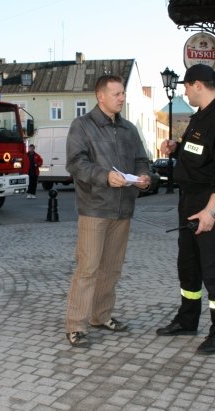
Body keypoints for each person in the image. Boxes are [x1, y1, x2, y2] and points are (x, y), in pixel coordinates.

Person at [155, 63, 215, 355]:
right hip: (189, 201)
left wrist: (211, 211)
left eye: (185, 86)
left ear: (197, 85)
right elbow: (200, 154)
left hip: (210, 204)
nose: (184, 91)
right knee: (189, 267)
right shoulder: (200, 118)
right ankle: (187, 319)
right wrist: (177, 148)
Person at [64, 74, 151, 347]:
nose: (122, 98)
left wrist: (145, 176)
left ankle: (100, 316)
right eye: (116, 94)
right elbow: (76, 163)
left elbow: (141, 160)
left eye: (123, 93)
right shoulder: (82, 126)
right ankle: (76, 325)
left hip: (123, 208)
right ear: (100, 96)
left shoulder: (129, 129)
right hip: (95, 208)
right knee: (88, 268)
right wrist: (104, 176)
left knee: (111, 269)